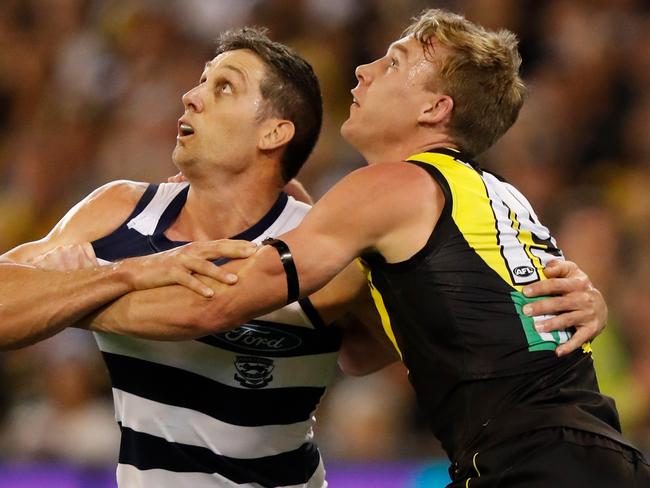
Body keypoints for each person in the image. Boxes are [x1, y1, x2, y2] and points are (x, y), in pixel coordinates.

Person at [0, 24, 610, 488]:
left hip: (528, 461)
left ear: (275, 133)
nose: (189, 97)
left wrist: (81, 290)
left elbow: (211, 308)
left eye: (223, 87)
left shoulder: (348, 237)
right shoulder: (119, 210)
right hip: (560, 448)